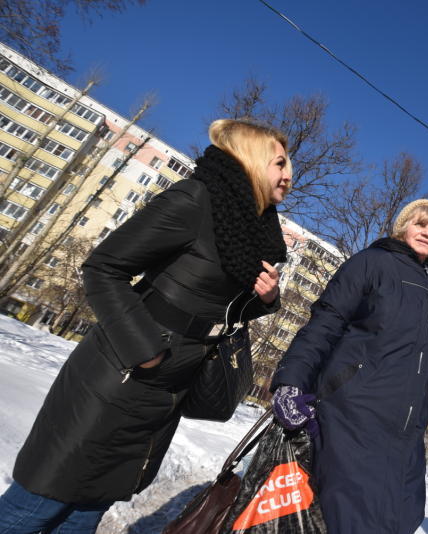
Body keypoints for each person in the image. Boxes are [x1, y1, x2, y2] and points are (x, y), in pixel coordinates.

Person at [0, 119, 292, 533]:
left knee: (88, 510)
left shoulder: (252, 229)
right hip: (118, 379)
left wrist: (264, 299)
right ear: (251, 159)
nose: (288, 176)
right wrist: (147, 352)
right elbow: (103, 268)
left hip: (168, 390)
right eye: (280, 164)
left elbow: (211, 306)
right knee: (40, 503)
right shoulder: (196, 201)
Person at [269, 199, 428, 534]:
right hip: (352, 414)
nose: (427, 232)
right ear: (402, 227)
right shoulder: (370, 263)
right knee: (350, 520)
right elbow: (325, 323)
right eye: (420, 223)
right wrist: (291, 381)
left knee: (401, 519)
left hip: (406, 433)